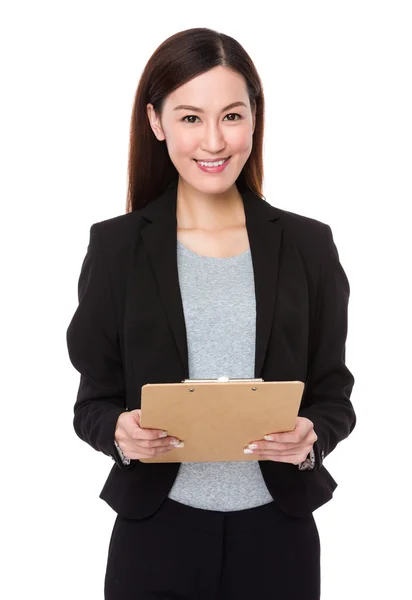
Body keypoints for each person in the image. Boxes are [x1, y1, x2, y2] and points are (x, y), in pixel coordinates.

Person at [66, 27, 356, 600]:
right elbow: (92, 403)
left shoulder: (308, 246)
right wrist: (118, 432)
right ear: (156, 123)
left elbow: (334, 397)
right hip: (156, 535)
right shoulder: (118, 248)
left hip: (279, 537)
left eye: (231, 115)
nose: (214, 141)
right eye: (190, 118)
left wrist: (312, 435)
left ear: (255, 118)